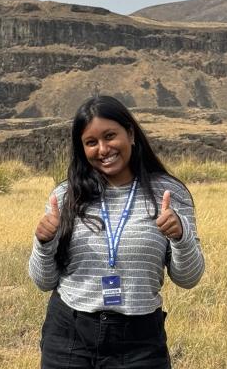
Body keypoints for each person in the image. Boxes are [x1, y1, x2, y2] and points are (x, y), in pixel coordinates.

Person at [28, 95, 205, 368]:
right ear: (82, 148)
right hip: (69, 338)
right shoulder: (66, 196)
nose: (103, 149)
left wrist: (180, 237)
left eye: (110, 136)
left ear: (131, 134)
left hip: (139, 343)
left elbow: (189, 278)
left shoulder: (169, 193)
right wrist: (43, 242)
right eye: (91, 142)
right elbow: (43, 282)